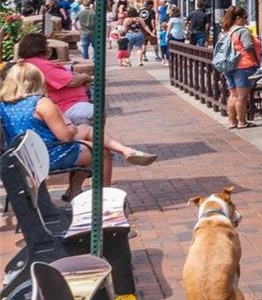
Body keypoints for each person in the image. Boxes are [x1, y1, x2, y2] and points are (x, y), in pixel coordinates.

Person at [14, 34, 157, 165]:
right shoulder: (40, 74)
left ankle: (122, 150)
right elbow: (70, 82)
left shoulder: (32, 72)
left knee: (91, 134)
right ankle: (120, 152)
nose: (48, 48)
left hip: (58, 124)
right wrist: (84, 78)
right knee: (98, 138)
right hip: (60, 125)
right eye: (46, 44)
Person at [0, 63, 110, 201]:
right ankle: (106, 198)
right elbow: (65, 137)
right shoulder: (41, 103)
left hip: (19, 158)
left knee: (86, 141)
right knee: (101, 152)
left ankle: (75, 190)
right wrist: (70, 126)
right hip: (47, 155)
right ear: (37, 80)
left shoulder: (3, 105)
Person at [216, 6, 259, 130]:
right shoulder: (242, 31)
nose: (246, 20)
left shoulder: (226, 32)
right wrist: (256, 60)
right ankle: (242, 122)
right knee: (242, 96)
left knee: (233, 95)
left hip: (229, 66)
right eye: (245, 17)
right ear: (238, 18)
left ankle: (232, 121)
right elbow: (248, 47)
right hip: (244, 65)